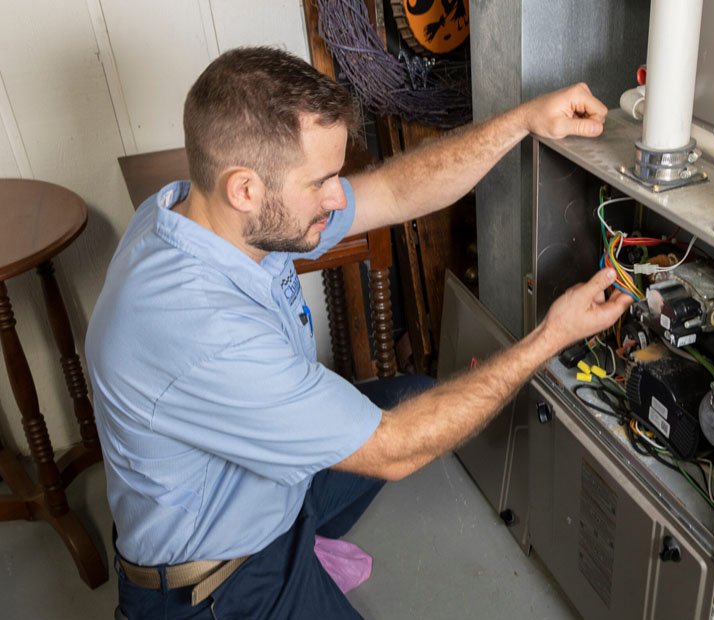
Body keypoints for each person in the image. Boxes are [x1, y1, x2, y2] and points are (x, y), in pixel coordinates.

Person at [86, 46, 630, 619]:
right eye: (321, 182)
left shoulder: (192, 211)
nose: (336, 197)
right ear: (244, 189)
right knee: (400, 428)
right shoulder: (205, 330)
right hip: (219, 586)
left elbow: (392, 191)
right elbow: (396, 450)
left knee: (411, 393)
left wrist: (523, 120)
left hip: (263, 492)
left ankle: (303, 532)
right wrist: (549, 337)